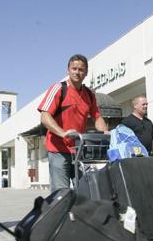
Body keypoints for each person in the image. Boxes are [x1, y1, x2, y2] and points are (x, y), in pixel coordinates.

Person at [38, 54, 109, 193]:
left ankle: (79, 215)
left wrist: (106, 133)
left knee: (86, 190)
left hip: (78, 150)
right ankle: (61, 213)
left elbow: (97, 117)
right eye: (74, 69)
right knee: (61, 194)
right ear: (68, 70)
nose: (77, 72)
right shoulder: (58, 88)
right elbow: (45, 116)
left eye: (81, 69)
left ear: (86, 73)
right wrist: (63, 133)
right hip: (58, 150)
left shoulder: (89, 94)